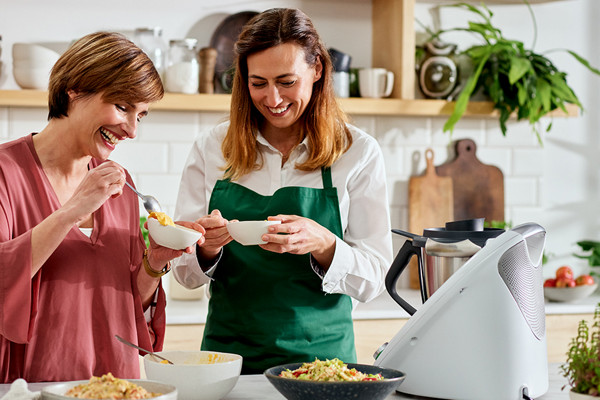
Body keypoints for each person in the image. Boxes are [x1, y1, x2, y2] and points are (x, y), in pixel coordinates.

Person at [172, 8, 393, 374]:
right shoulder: (212, 147)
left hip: (323, 366)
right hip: (227, 364)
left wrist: (324, 243)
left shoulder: (357, 151)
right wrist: (205, 248)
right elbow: (184, 274)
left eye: (286, 81)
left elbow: (375, 280)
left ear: (317, 69)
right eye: (258, 83)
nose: (272, 98)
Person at [0, 31, 204, 383]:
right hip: (31, 385)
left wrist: (153, 265)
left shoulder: (120, 183)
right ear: (75, 89)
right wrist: (71, 212)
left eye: (141, 115)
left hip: (116, 384)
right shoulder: (6, 173)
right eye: (122, 107)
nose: (131, 130)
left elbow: (127, 305)